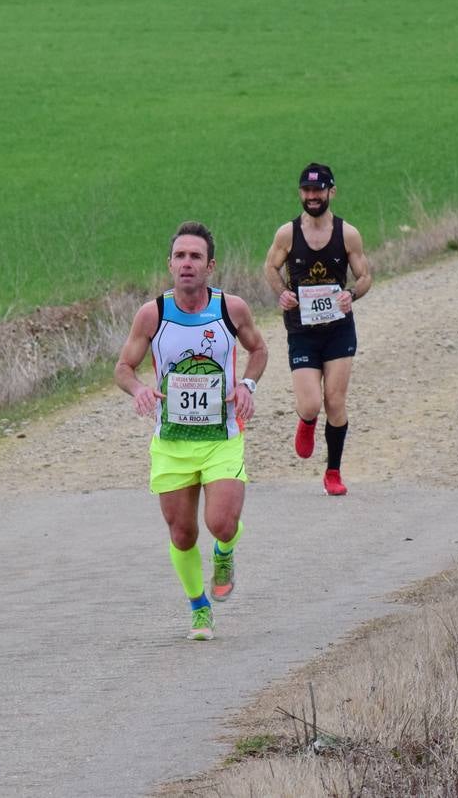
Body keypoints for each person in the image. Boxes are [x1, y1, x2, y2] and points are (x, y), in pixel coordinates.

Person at [114, 221, 269, 641]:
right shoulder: (153, 314)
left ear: (210, 265)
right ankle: (199, 606)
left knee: (221, 522)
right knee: (182, 533)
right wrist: (139, 391)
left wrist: (247, 385)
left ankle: (224, 553)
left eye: (195, 257)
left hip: (221, 437)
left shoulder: (230, 309)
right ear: (170, 264)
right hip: (172, 443)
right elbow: (123, 367)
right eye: (180, 256)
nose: (187, 264)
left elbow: (259, 350)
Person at [263, 162, 372, 496]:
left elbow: (365, 276)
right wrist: (281, 292)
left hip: (338, 329)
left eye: (318, 190)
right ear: (300, 193)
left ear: (331, 192)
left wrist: (350, 294)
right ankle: (307, 422)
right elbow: (270, 266)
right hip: (302, 330)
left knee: (335, 401)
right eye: (307, 191)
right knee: (311, 404)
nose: (312, 197)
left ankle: (333, 473)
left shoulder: (347, 234)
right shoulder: (287, 233)